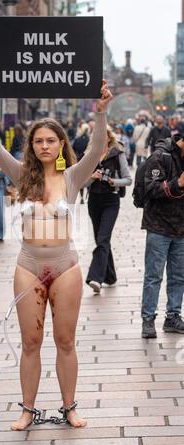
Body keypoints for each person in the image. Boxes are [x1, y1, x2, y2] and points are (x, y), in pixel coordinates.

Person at [0, 80, 112, 431]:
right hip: (29, 266)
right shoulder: (21, 175)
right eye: (38, 141)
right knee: (31, 342)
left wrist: (100, 112)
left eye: (51, 140)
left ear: (61, 144)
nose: (44, 146)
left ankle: (70, 407)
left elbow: (97, 149)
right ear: (31, 146)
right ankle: (28, 409)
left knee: (65, 341)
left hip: (65, 266)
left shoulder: (71, 177)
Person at [141, 133, 184, 339]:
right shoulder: (160, 156)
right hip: (158, 226)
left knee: (178, 276)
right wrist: (178, 184)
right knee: (154, 276)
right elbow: (150, 189)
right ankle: (148, 319)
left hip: (182, 228)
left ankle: (173, 317)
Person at [84, 128, 132, 294]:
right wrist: (92, 177)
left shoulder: (117, 153)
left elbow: (128, 180)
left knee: (103, 238)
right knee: (101, 239)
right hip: (94, 201)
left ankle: (96, 278)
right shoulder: (89, 156)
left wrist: (113, 181)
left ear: (108, 137)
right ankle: (110, 276)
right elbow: (81, 184)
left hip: (111, 200)